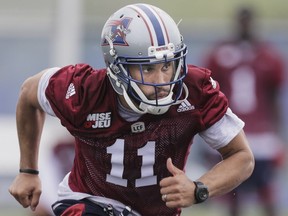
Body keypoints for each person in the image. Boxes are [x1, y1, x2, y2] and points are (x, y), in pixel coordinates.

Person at [9, 3, 254, 216]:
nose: (161, 81)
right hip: (89, 202)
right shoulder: (84, 91)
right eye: (147, 69)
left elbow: (241, 157)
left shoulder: (194, 91)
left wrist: (200, 189)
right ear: (117, 68)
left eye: (167, 65)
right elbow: (29, 93)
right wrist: (28, 170)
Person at [202, 6, 285, 216]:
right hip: (231, 133)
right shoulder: (221, 54)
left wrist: (278, 136)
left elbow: (274, 98)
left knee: (266, 193)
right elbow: (209, 95)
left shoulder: (268, 55)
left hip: (261, 135)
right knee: (233, 194)